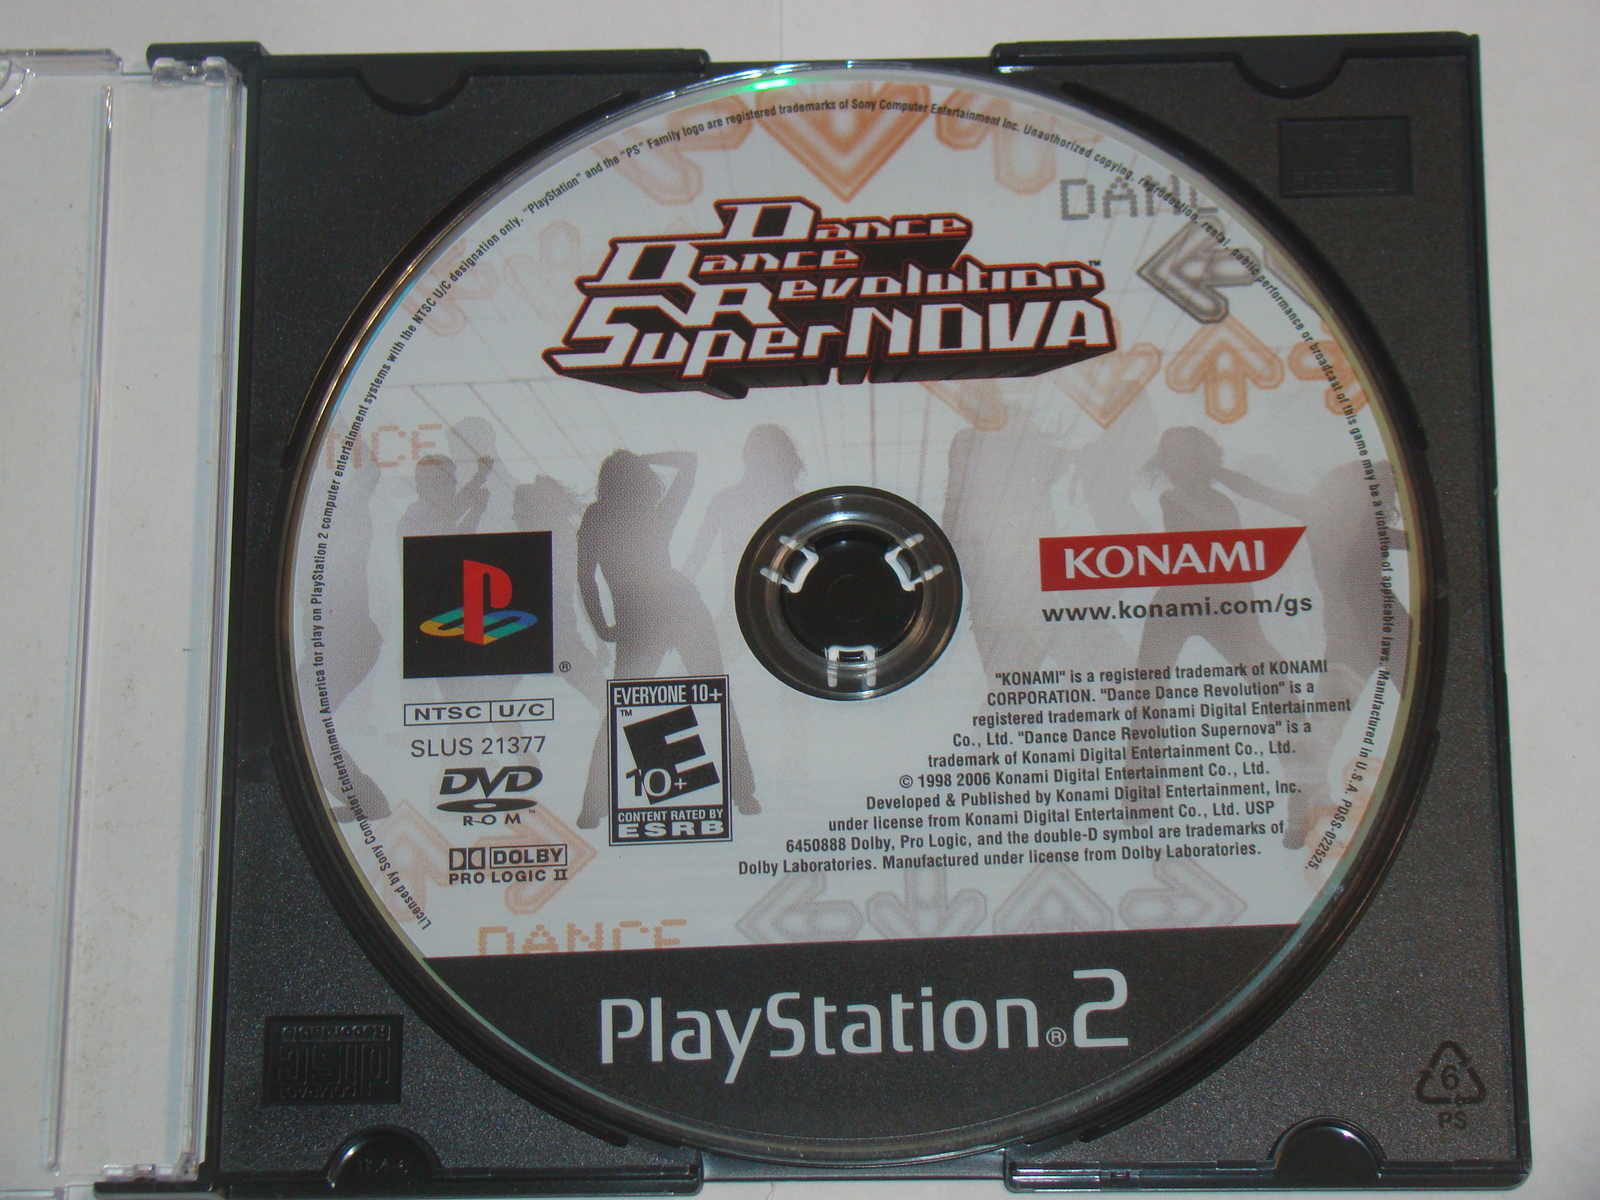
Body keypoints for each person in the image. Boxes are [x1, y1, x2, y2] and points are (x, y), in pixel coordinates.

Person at [575, 449, 757, 827]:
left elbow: (586, 577)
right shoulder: (646, 513)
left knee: (628, 707)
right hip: (670, 610)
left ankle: (593, 806)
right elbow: (689, 461)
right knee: (709, 696)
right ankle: (742, 792)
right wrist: (640, 459)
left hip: (652, 616)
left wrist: (602, 625)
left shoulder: (601, 517)